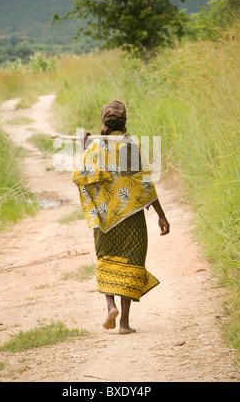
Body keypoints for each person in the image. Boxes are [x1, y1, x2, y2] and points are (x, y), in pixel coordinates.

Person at [72, 101, 170, 334]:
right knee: (131, 264)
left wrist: (85, 144)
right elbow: (144, 184)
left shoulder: (94, 146)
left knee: (106, 259)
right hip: (132, 218)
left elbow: (83, 177)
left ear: (103, 121)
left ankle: (110, 306)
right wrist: (161, 216)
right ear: (124, 122)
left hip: (104, 220)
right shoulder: (131, 145)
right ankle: (124, 323)